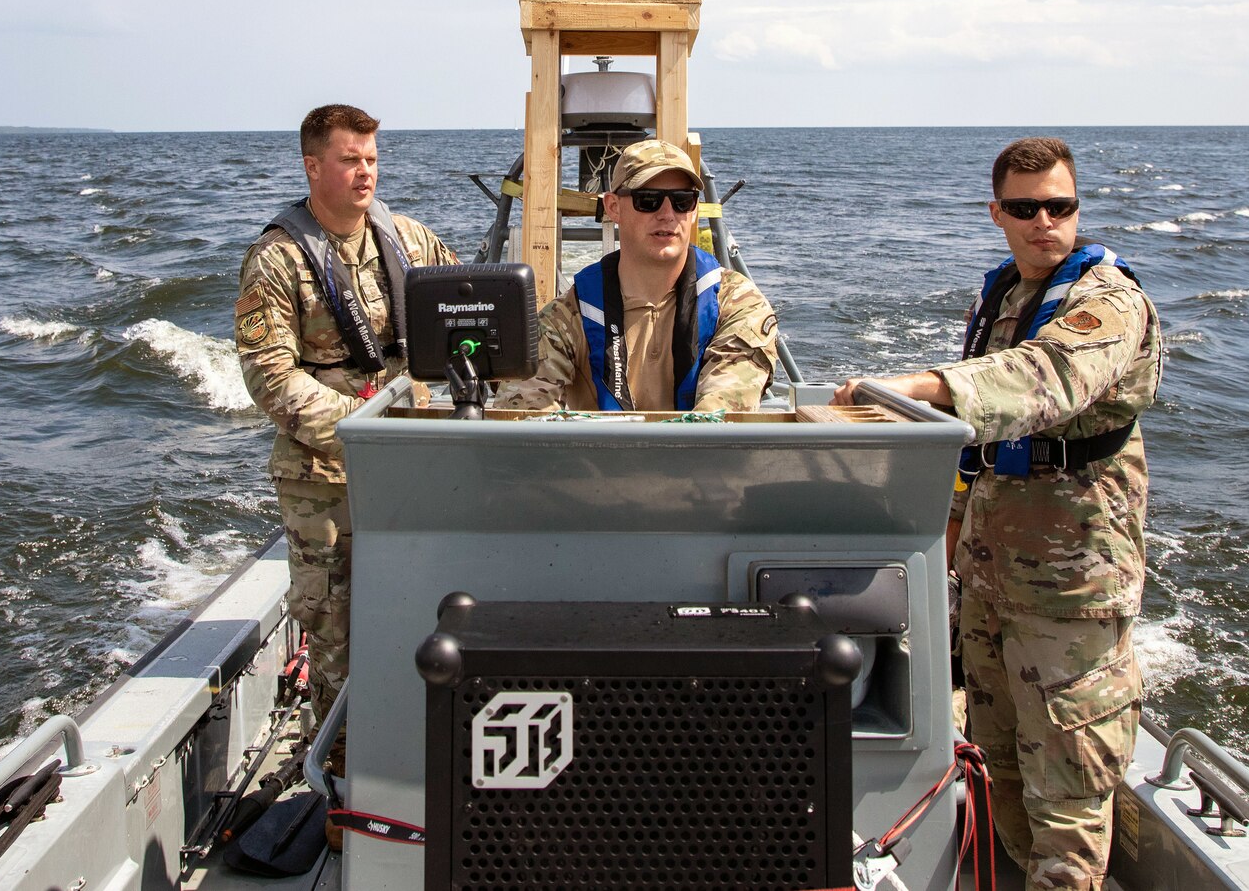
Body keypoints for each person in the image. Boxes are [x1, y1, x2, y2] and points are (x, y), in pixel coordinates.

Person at [833, 136, 1162, 891]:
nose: (1045, 220)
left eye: (1061, 205)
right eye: (1025, 207)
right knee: (1000, 775)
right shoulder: (1006, 297)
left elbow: (1045, 376)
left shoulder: (1108, 301)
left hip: (1070, 593)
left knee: (1068, 800)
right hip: (990, 582)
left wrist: (922, 385)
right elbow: (978, 451)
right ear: (997, 213)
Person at [234, 103, 457, 768]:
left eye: (372, 159)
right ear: (313, 166)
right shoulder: (276, 261)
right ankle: (339, 771)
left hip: (408, 460)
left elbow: (465, 301)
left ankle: (416, 749)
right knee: (335, 632)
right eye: (350, 160)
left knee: (421, 605)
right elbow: (270, 377)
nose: (366, 173)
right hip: (324, 475)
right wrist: (361, 433)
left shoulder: (409, 240)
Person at [494, 138, 778, 413]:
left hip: (700, 460)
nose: (667, 214)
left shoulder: (737, 304)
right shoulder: (568, 318)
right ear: (613, 207)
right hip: (596, 460)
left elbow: (723, 412)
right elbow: (521, 414)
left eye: (682, 201)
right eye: (648, 200)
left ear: (693, 212)